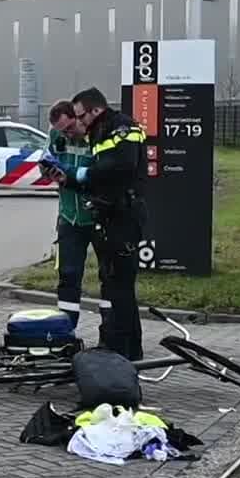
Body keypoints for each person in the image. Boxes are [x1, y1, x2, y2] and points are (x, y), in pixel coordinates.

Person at [68, 86, 148, 359]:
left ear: (96, 110)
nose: (79, 122)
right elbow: (101, 178)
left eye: (81, 116)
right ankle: (117, 345)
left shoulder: (124, 128)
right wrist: (69, 179)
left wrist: (84, 173)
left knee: (121, 286)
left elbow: (123, 165)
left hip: (124, 216)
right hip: (109, 216)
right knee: (112, 283)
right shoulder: (100, 132)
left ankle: (128, 351)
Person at [45, 100, 105, 335]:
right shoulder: (57, 135)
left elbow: (106, 173)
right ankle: (65, 330)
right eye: (61, 131)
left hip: (98, 216)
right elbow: (46, 159)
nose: (67, 135)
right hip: (69, 217)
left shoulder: (99, 137)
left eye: (69, 128)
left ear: (80, 119)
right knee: (68, 276)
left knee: (108, 276)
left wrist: (76, 177)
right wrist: (49, 170)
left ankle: (109, 333)